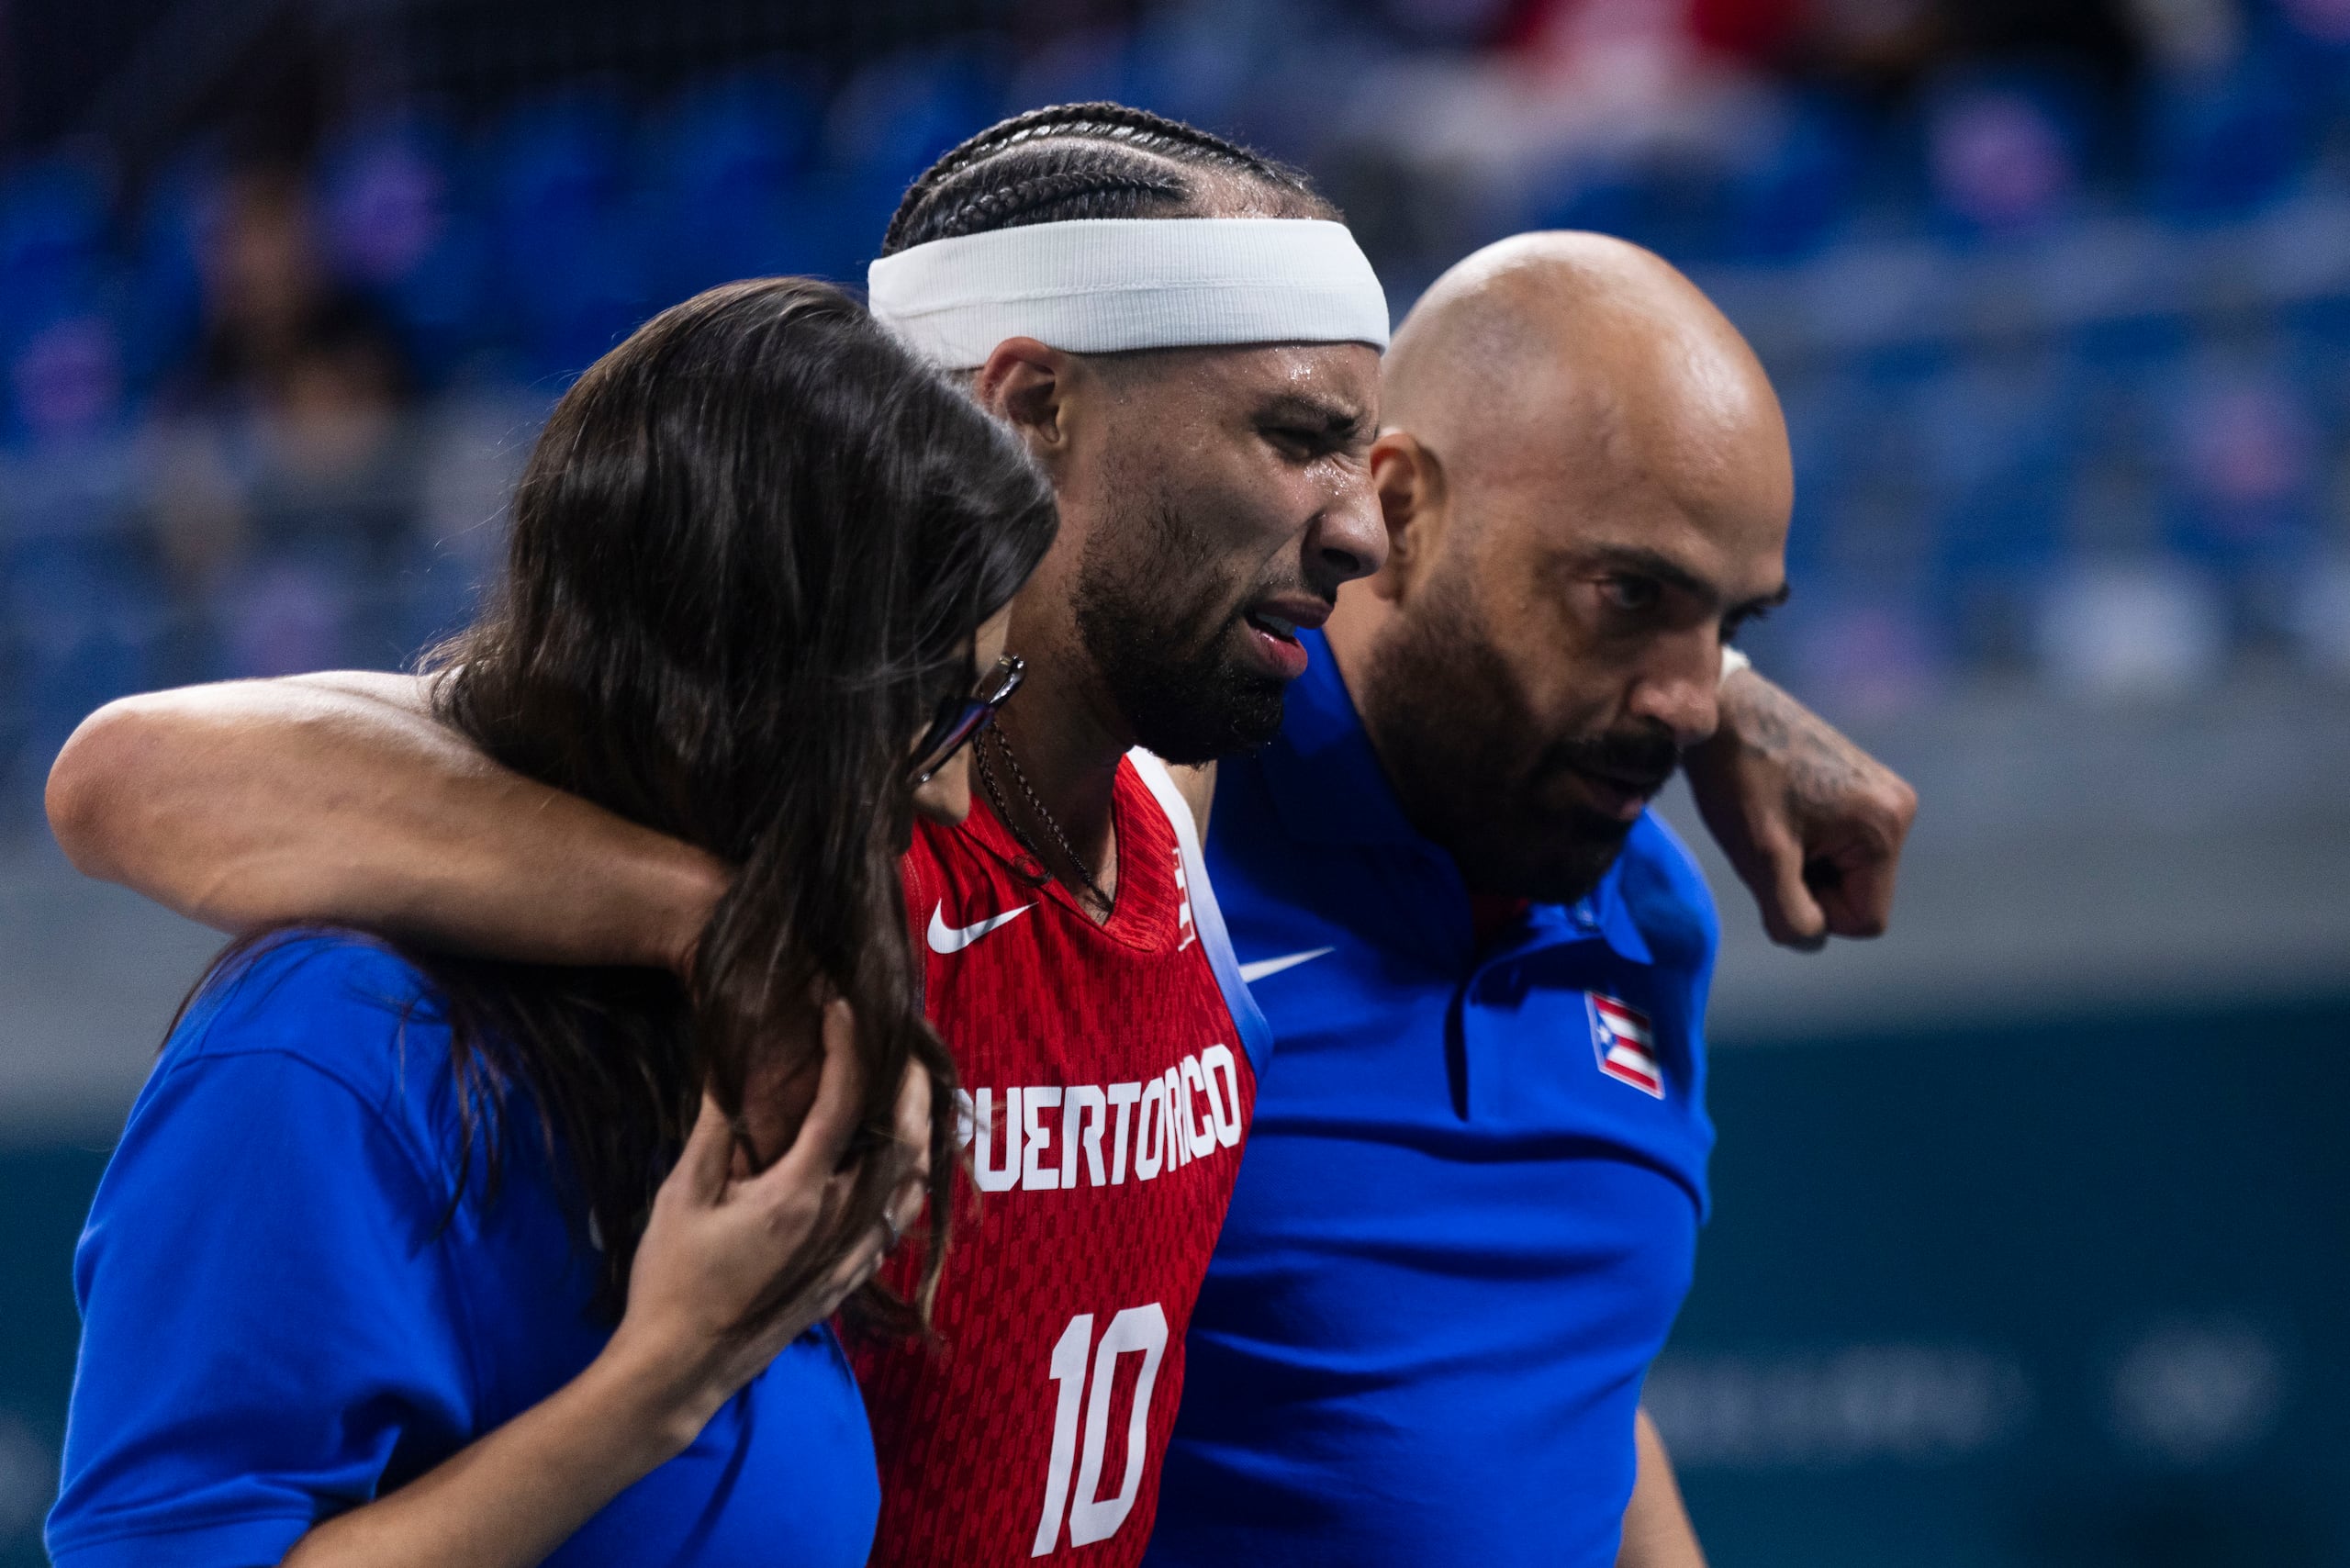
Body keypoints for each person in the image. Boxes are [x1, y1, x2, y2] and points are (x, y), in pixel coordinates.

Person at [47, 106, 1911, 1562]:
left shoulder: (1160, 812)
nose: (1351, 526)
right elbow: (134, 774)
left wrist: (1698, 692)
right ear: (1021, 411)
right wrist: (726, 916)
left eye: (1355, 455)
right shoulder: (799, 848)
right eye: (1289, 436)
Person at [43, 276, 1061, 1568]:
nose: (956, 792)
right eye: (938, 716)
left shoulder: (728, 1012)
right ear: (759, 699)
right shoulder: (330, 1055)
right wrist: (660, 1383)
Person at [1148, 231, 1919, 1568]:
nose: (1686, 701)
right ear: (1396, 508)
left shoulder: (1655, 910)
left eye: (1732, 626)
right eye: (1629, 593)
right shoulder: (1156, 826)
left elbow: (1574, 1405)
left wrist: (1687, 670)